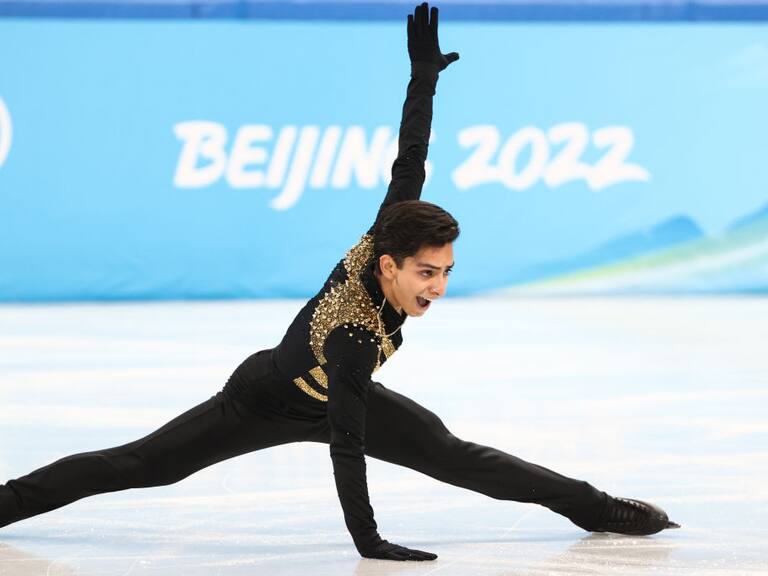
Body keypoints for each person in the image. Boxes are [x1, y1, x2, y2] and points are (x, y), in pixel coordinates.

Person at [0, 3, 678, 561]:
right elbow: (346, 444)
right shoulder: (354, 331)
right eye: (426, 273)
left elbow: (410, 155)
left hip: (335, 391)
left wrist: (424, 78)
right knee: (142, 465)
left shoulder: (393, 228)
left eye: (445, 272)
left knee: (456, 455)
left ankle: (598, 507)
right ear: (389, 266)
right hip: (259, 402)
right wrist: (369, 541)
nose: (437, 286)